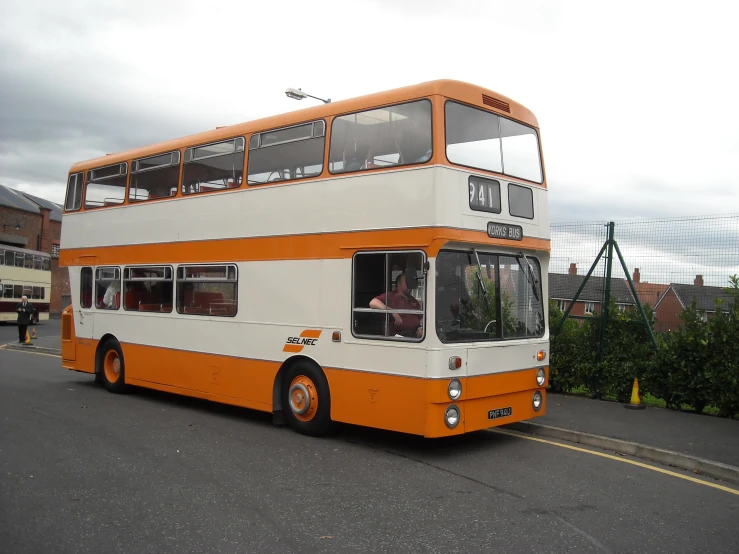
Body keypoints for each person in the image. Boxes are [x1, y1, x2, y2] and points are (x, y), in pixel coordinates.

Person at [369, 273, 423, 338]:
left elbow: (420, 318)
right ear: (399, 284)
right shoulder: (390, 296)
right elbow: (373, 303)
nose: (409, 284)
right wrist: (392, 311)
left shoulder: (413, 300)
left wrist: (420, 327)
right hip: (398, 337)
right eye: (407, 281)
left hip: (416, 336)